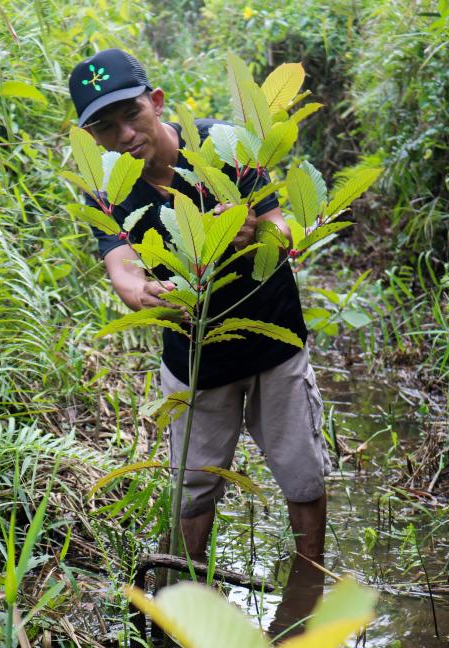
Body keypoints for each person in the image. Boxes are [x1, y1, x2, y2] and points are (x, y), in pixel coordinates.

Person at [68, 49, 331, 563]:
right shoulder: (108, 192)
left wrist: (257, 234)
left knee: (302, 477)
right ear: (92, 137)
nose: (124, 134)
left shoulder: (225, 146)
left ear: (157, 103)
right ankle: (180, 588)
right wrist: (144, 293)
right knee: (193, 490)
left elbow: (281, 225)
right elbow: (123, 268)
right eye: (105, 126)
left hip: (273, 342)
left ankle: (309, 583)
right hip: (195, 358)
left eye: (131, 115)